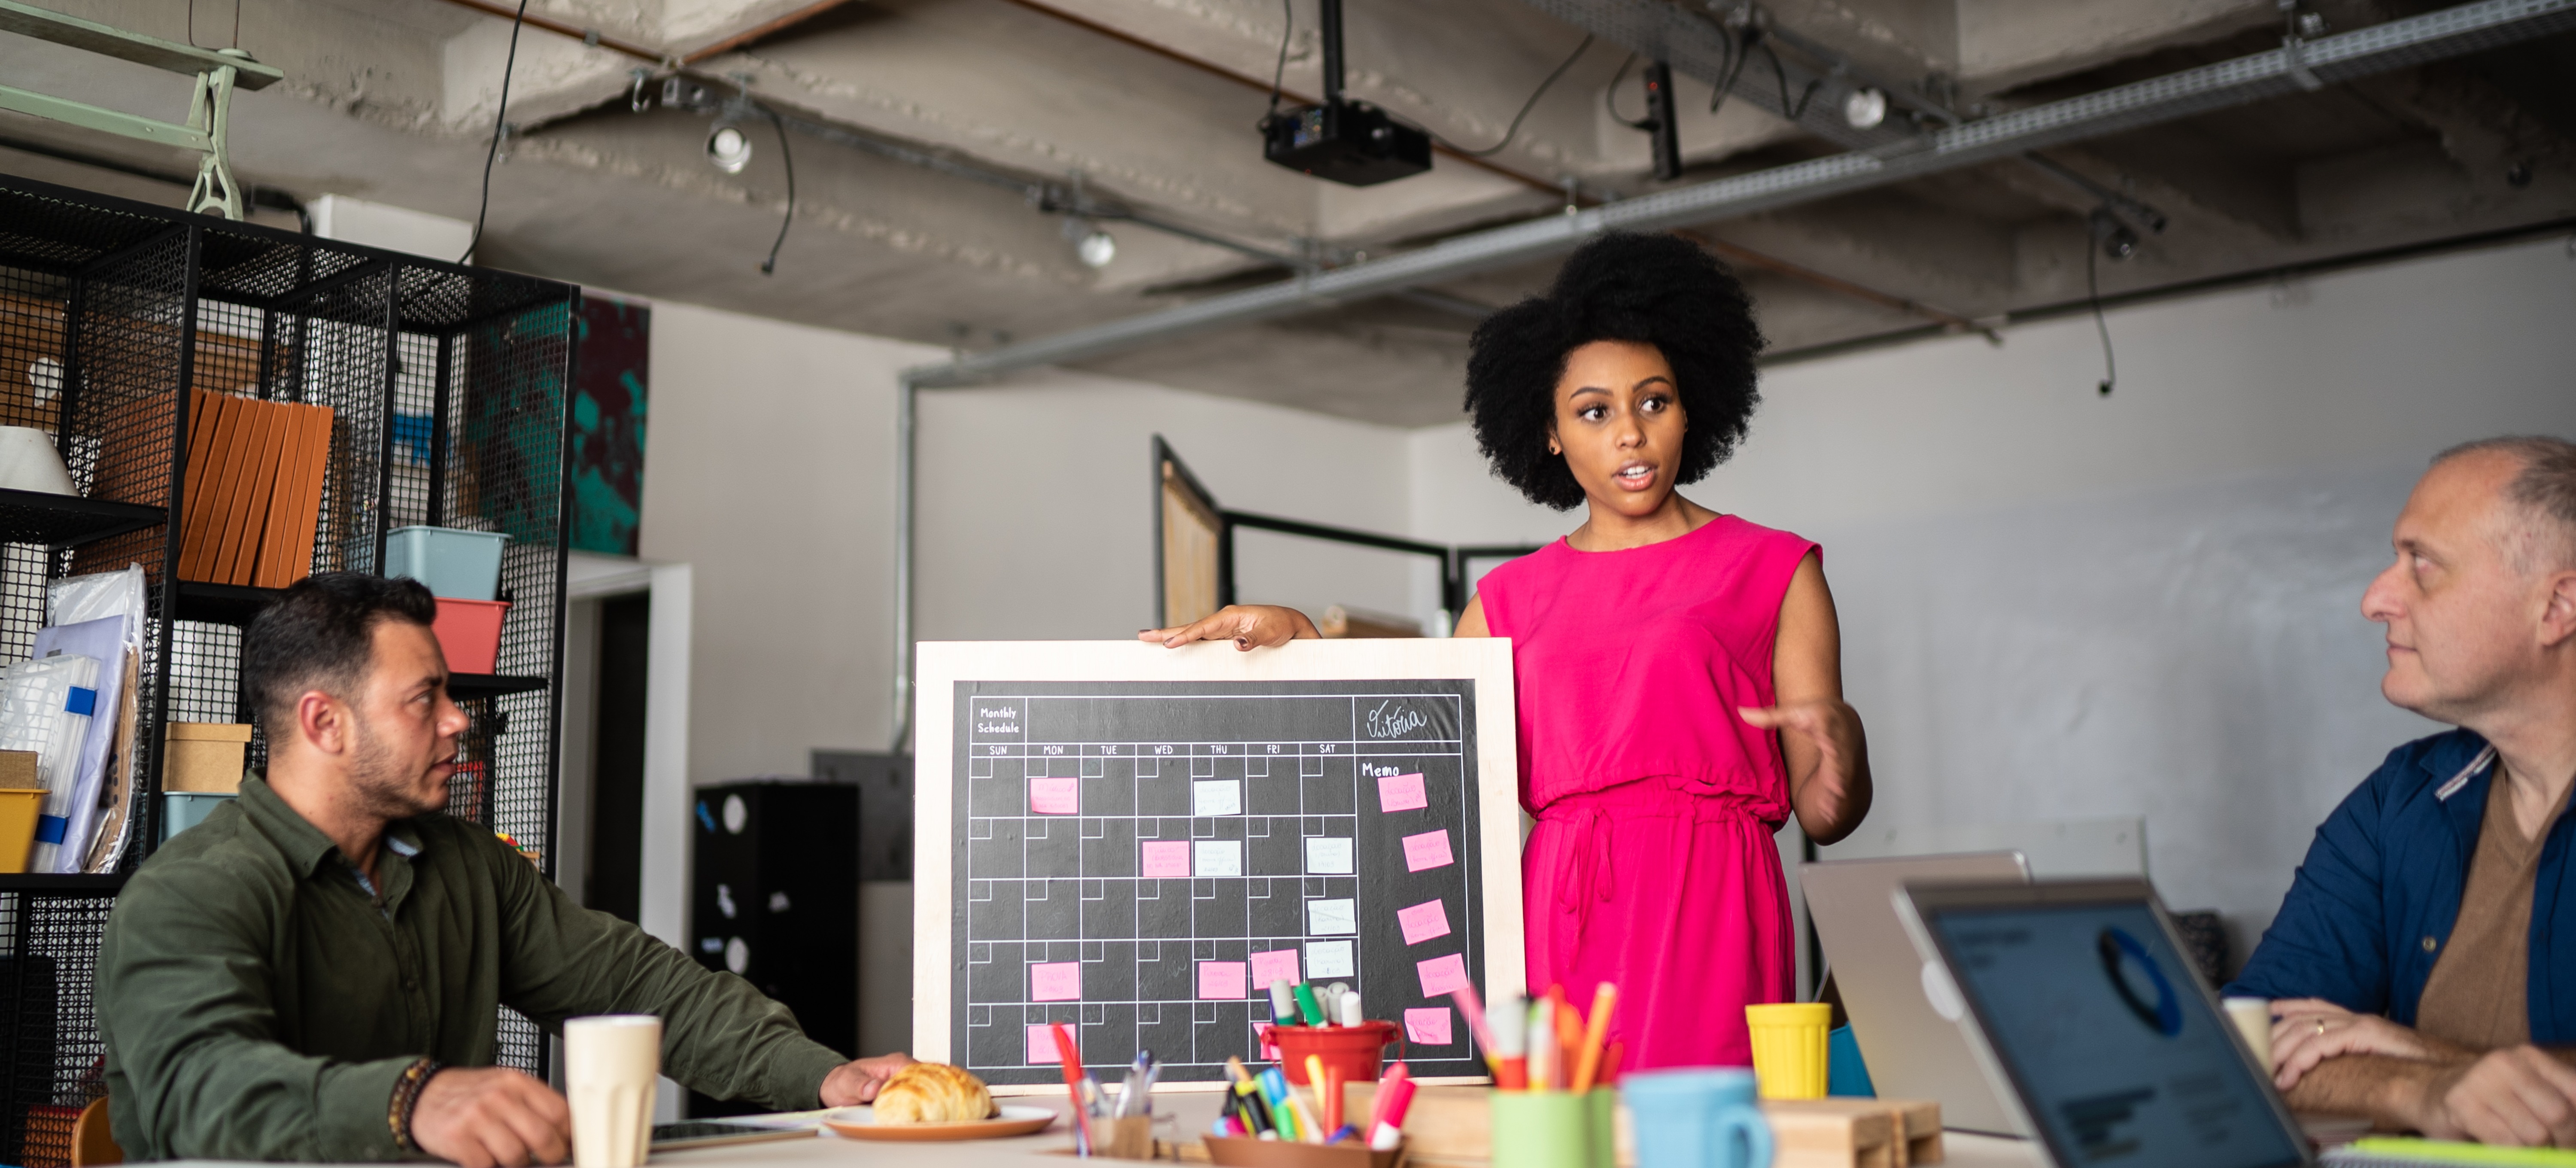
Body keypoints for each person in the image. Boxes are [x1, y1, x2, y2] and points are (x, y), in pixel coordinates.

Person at [1140, 231, 1872, 1068]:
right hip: (1554, 906)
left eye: (1654, 401)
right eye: (1595, 411)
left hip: (1711, 900)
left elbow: (1825, 814)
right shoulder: (1507, 601)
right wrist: (1300, 637)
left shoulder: (1773, 568)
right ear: (1552, 434)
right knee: (1558, 1142)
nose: (1630, 434)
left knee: (1698, 1133)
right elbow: (1405, 753)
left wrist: (1846, 752)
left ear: (1691, 404)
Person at [97, 574, 911, 1165]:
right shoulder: (190, 893)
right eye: (426, 698)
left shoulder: (467, 866)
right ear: (325, 723)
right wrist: (412, 1099)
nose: (458, 721)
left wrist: (825, 1074)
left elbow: (642, 989)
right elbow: (195, 1090)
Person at [2228, 436, 2576, 1147]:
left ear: (2558, 606)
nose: (2375, 599)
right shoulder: (2401, 802)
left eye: (2424, 565)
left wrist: (2424, 1052)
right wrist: (2420, 1089)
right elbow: (2243, 1045)